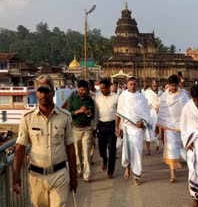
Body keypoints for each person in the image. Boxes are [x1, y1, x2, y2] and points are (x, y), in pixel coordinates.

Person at [12, 75, 77, 207]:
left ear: (53, 92)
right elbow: (20, 148)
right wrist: (16, 175)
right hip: (36, 177)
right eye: (40, 91)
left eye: (47, 90)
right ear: (36, 93)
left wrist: (74, 176)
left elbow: (70, 147)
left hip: (59, 175)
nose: (43, 95)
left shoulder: (65, 117)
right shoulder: (27, 118)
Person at [115, 77, 154, 186]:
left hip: (138, 129)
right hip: (127, 127)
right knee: (127, 151)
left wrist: (142, 122)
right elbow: (118, 113)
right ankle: (127, 166)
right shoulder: (123, 96)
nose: (132, 86)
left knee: (137, 152)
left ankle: (137, 175)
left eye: (134, 84)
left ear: (137, 85)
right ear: (127, 85)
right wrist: (117, 127)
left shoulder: (142, 97)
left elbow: (147, 114)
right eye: (130, 84)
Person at [157, 74, 189, 183]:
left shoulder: (183, 95)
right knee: (172, 148)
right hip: (170, 126)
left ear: (178, 84)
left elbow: (188, 109)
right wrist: (160, 126)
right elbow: (162, 111)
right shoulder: (164, 96)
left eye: (175, 85)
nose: (173, 88)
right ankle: (173, 173)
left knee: (186, 147)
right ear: (168, 85)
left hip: (183, 126)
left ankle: (194, 170)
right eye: (171, 86)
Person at [68, 79, 95, 182]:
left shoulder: (90, 100)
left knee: (86, 151)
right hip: (75, 128)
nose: (83, 91)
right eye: (81, 89)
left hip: (87, 128)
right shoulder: (72, 99)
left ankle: (87, 174)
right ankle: (79, 169)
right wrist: (78, 111)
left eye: (85, 90)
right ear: (78, 89)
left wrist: (88, 112)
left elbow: (92, 115)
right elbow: (68, 113)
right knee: (77, 152)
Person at [93, 78, 118, 179]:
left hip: (112, 125)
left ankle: (110, 171)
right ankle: (104, 159)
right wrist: (95, 127)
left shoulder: (116, 97)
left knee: (112, 149)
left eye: (103, 88)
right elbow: (96, 113)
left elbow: (119, 113)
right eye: (100, 88)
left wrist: (119, 127)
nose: (102, 90)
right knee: (101, 149)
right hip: (101, 126)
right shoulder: (97, 98)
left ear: (108, 87)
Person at [143, 79, 162, 155]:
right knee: (147, 131)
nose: (155, 87)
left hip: (157, 114)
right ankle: (148, 150)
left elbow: (162, 102)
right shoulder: (147, 92)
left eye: (156, 86)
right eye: (154, 86)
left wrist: (159, 107)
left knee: (156, 131)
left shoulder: (160, 93)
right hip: (149, 114)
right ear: (151, 85)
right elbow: (143, 102)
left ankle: (157, 147)